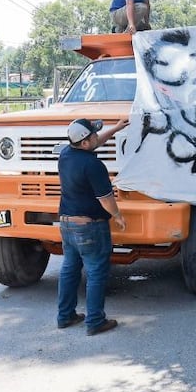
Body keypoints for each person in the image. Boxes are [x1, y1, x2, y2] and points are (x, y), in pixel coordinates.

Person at [57, 116, 130, 336]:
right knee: (96, 272)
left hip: (67, 225)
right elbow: (106, 199)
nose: (98, 136)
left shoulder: (65, 155)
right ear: (85, 142)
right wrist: (117, 215)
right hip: (90, 227)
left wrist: (115, 129)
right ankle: (95, 321)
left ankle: (65, 316)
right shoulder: (94, 165)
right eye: (94, 134)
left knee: (69, 270)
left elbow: (94, 143)